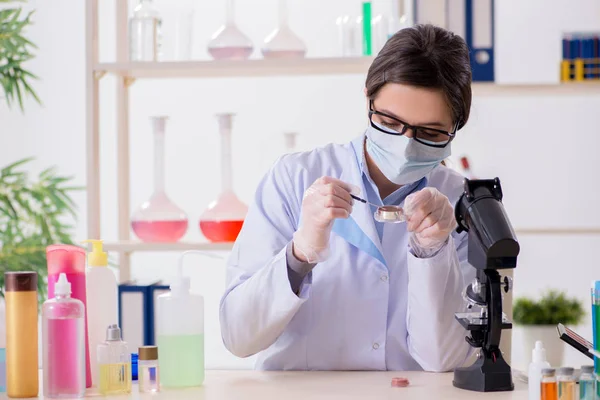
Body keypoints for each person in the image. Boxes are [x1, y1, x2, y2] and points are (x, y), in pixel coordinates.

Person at [219, 24, 475, 372]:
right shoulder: (294, 178)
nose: (405, 143)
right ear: (368, 95)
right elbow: (238, 335)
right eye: (389, 120)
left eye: (429, 132)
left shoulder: (465, 204)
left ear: (455, 127)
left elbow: (443, 360)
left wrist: (433, 253)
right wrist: (299, 254)